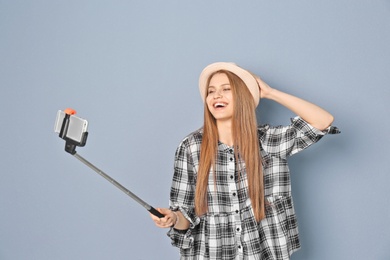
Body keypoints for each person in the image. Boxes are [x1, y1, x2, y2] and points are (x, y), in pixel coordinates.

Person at [150, 62, 340, 260]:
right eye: (211, 91)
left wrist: (270, 93)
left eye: (226, 89)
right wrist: (173, 219)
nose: (216, 96)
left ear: (243, 97)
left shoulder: (267, 141)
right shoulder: (190, 148)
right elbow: (185, 216)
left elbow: (323, 121)